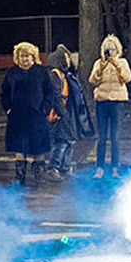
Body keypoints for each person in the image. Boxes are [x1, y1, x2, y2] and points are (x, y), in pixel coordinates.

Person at [1, 42, 57, 187]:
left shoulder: (41, 72)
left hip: (37, 117)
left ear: (33, 57)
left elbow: (49, 92)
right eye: (22, 56)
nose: (25, 59)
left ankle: (40, 180)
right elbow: (4, 93)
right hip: (17, 118)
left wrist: (45, 109)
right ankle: (21, 180)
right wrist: (8, 109)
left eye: (27, 56)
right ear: (17, 57)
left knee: (38, 148)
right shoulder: (11, 73)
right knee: (20, 149)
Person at [89, 34, 131, 179]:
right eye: (107, 48)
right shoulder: (98, 63)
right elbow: (92, 80)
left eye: (112, 48)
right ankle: (99, 168)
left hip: (117, 102)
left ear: (117, 49)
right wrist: (101, 67)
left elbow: (127, 78)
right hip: (102, 102)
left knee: (115, 137)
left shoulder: (123, 62)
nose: (110, 51)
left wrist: (116, 64)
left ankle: (115, 167)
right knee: (101, 137)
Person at [46, 44, 83, 180]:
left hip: (67, 111)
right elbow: (56, 95)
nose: (68, 60)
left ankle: (64, 168)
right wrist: (63, 113)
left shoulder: (64, 74)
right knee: (61, 142)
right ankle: (54, 168)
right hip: (60, 113)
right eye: (66, 58)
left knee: (69, 141)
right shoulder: (55, 74)